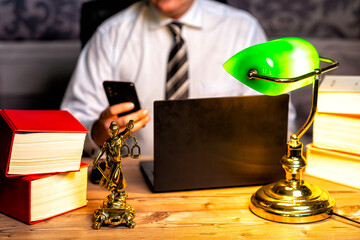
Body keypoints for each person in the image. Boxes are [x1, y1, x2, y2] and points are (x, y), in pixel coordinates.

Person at [61, 0, 296, 157]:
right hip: (133, 182)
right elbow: (72, 124)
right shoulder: (111, 34)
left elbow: (277, 120)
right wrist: (97, 133)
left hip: (224, 179)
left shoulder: (242, 29)